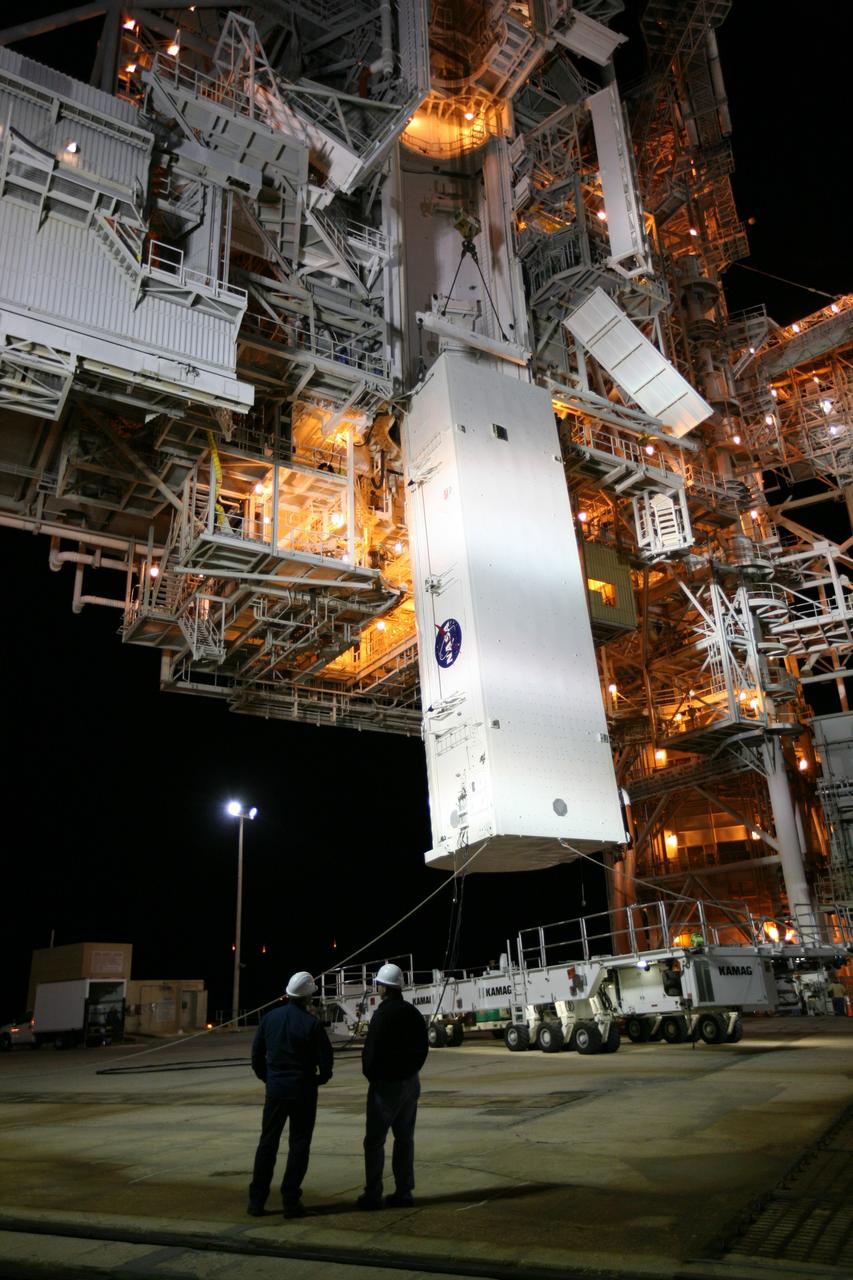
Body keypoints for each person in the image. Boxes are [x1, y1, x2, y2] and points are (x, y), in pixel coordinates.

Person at [248, 971, 333, 1218]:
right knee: (299, 1144)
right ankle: (290, 1201)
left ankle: (256, 1201)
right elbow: (326, 1061)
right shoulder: (312, 1024)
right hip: (303, 1092)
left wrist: (268, 1078)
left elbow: (256, 1056)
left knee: (267, 1144)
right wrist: (318, 1079)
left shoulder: (269, 1019)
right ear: (308, 997)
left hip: (275, 1091)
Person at [357, 962, 429, 1210]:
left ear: (384, 988)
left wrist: (374, 1077)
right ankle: (404, 1191)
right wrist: (411, 1072)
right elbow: (423, 1048)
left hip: (386, 1086)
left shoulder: (382, 1014)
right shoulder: (412, 1012)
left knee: (375, 1141)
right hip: (410, 1083)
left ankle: (373, 1194)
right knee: (404, 1138)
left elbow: (371, 1052)